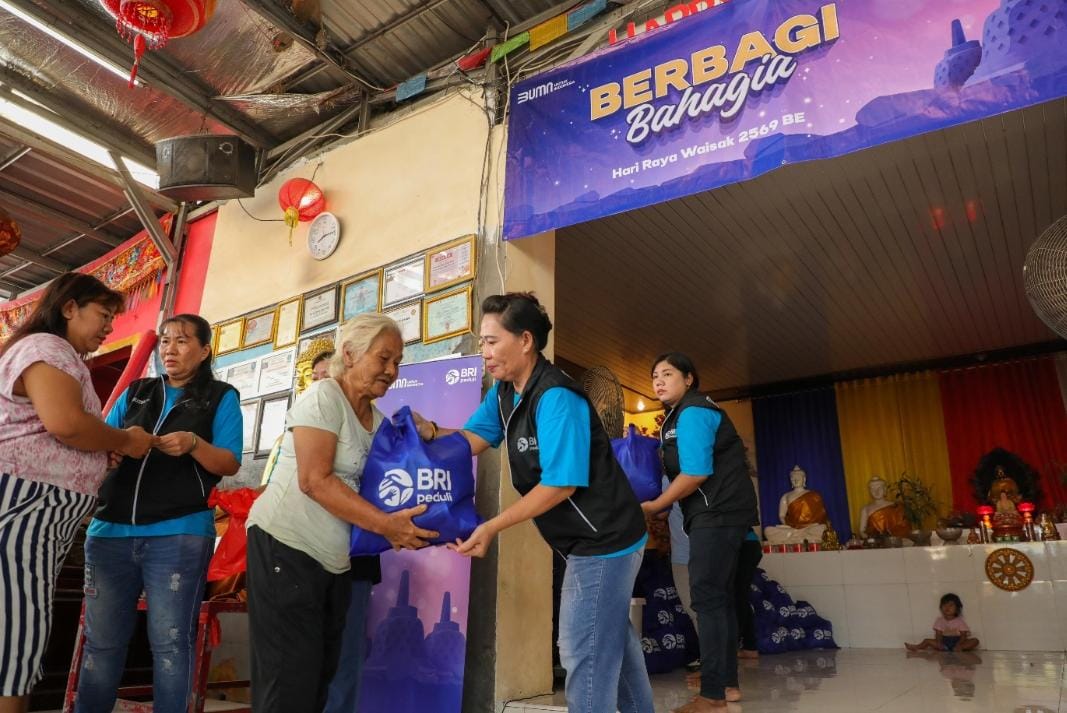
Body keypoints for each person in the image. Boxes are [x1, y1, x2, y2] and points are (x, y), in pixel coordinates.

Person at [424, 292, 654, 713]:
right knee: (611, 643)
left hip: (604, 540)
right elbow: (473, 438)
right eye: (482, 343)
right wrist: (429, 431)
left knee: (583, 651)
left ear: (525, 340)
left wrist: (491, 525)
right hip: (583, 539)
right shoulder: (505, 393)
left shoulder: (556, 398)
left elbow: (561, 485)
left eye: (492, 341)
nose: (485, 353)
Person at [245, 313, 436, 713]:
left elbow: (421, 453)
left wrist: (437, 430)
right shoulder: (322, 397)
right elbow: (314, 480)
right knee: (288, 683)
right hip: (286, 548)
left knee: (319, 680)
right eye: (383, 358)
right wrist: (387, 526)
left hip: (334, 563)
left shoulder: (378, 420)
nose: (392, 370)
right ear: (349, 354)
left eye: (398, 361)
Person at [0, 272, 154, 713]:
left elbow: (56, 430)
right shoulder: (48, 349)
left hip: (36, 505)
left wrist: (95, 452)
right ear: (69, 307)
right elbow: (66, 423)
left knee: (16, 627)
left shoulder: (51, 353)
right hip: (28, 504)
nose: (109, 327)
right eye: (103, 315)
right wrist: (123, 440)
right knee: (16, 635)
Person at [74, 314, 243, 713]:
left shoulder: (221, 396)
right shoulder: (136, 392)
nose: (170, 348)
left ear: (204, 351)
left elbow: (229, 462)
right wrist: (112, 451)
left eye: (182, 341)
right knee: (101, 642)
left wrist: (194, 444)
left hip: (178, 534)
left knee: (170, 641)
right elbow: (102, 440)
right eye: (165, 341)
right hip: (109, 531)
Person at [640, 353, 758, 711]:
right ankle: (726, 686)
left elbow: (694, 474)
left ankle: (711, 694)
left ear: (689, 378)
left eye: (668, 374)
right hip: (720, 514)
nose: (659, 381)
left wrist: (654, 505)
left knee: (707, 598)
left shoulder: (692, 412)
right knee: (718, 599)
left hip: (716, 514)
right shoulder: (683, 414)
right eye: (655, 375)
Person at [906, 593, 979, 652]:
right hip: (944, 643)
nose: (947, 607)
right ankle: (916, 647)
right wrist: (939, 643)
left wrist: (959, 644)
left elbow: (963, 636)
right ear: (941, 607)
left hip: (957, 642)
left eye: (951, 605)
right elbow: (938, 634)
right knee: (927, 640)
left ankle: (959, 648)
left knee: (975, 641)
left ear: (957, 609)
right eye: (944, 605)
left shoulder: (960, 621)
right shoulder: (939, 620)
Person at [734, 527, 762, 659]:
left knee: (737, 598)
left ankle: (731, 648)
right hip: (749, 543)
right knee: (741, 597)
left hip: (741, 544)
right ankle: (750, 646)